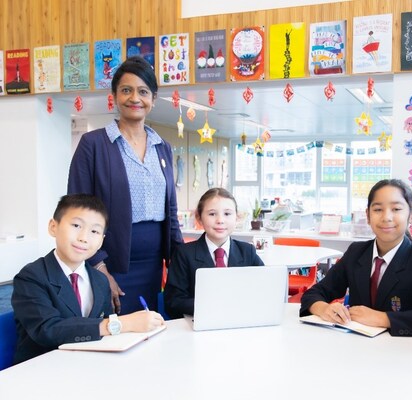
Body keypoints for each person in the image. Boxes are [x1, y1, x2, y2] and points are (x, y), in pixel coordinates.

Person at [68, 55, 183, 314]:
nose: (134, 98)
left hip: (154, 264)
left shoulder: (162, 147)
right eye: (126, 90)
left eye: (143, 91)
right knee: (116, 327)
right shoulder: (93, 145)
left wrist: (179, 260)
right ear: (114, 96)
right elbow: (76, 212)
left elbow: (171, 211)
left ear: (153, 99)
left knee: (150, 323)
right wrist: (99, 267)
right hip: (111, 261)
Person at [11, 194, 164, 364]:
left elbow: (107, 337)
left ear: (101, 241)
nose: (84, 237)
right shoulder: (31, 277)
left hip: (90, 365)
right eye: (76, 225)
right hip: (42, 369)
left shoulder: (100, 280)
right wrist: (122, 324)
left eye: (94, 231)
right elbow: (48, 330)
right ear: (53, 227)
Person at [300, 179, 412, 336]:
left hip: (401, 347)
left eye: (396, 209)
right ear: (367, 215)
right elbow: (315, 292)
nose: (386, 217)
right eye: (378, 209)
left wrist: (384, 318)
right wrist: (323, 308)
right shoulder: (356, 252)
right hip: (357, 344)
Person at [164, 188, 264, 318]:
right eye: (212, 214)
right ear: (199, 218)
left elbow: (265, 288)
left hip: (240, 321)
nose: (220, 220)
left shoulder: (247, 251)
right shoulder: (183, 254)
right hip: (198, 322)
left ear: (237, 217)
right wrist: (213, 306)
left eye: (227, 214)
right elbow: (173, 301)